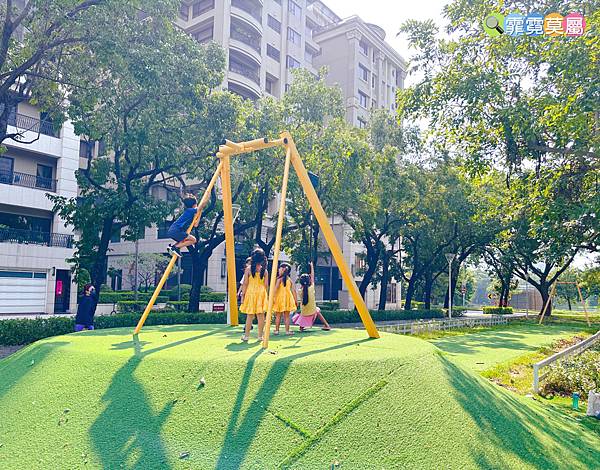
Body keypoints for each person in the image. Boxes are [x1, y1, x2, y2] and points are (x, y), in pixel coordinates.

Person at [239, 248, 269, 342]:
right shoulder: (265, 271)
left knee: (250, 315)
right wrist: (266, 296)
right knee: (261, 316)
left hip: (251, 292)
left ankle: (246, 336)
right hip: (261, 293)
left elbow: (245, 283)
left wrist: (243, 295)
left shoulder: (248, 269)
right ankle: (260, 336)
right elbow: (266, 285)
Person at [293, 261, 332, 332]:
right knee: (317, 311)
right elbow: (312, 276)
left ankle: (301, 327)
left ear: (300, 282)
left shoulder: (300, 291)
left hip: (304, 312)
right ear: (309, 281)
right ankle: (327, 325)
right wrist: (311, 266)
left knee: (302, 314)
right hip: (312, 311)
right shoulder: (311, 288)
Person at [167, 194, 207, 258]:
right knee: (193, 240)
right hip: (176, 230)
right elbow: (201, 206)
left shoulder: (191, 212)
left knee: (185, 241)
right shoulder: (190, 210)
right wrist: (206, 199)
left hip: (173, 231)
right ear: (194, 205)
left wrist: (200, 212)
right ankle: (175, 247)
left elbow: (196, 224)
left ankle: (173, 247)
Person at [273, 262, 296, 336]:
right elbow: (293, 290)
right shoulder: (289, 280)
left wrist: (272, 297)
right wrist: (295, 300)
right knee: (286, 316)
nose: (278, 270)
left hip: (280, 298)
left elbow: (275, 289)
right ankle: (287, 331)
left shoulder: (279, 279)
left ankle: (276, 330)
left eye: (279, 268)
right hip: (288, 299)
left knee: (278, 315)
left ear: (282, 269)